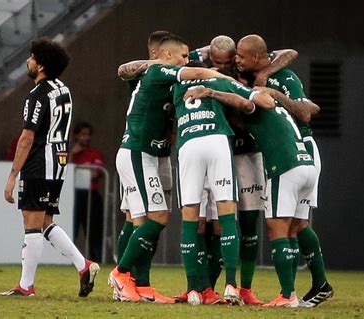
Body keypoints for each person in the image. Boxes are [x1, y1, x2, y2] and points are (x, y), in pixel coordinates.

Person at [109, 34, 232, 303]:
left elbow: (209, 51)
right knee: (151, 218)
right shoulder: (157, 71)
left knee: (143, 220)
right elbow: (194, 69)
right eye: (182, 56)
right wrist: (226, 80)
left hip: (158, 154)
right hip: (138, 152)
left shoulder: (164, 74)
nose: (187, 60)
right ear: (164, 56)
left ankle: (142, 285)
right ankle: (121, 274)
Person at [177, 35, 298, 305]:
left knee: (247, 224)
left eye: (229, 61)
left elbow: (289, 51)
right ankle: (202, 285)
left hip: (246, 155)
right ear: (210, 58)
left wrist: (263, 75)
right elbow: (173, 57)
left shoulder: (245, 69)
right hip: (221, 148)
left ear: (238, 58)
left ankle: (243, 288)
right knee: (208, 224)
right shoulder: (202, 67)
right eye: (216, 62)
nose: (222, 66)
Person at [0, 37, 99, 297]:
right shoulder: (62, 89)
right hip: (59, 160)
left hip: (39, 161)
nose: (27, 61)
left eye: (31, 57)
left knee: (31, 222)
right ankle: (83, 265)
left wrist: (12, 175)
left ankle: (26, 285)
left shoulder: (38, 96)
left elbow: (27, 137)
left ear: (41, 65)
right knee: (45, 221)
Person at [238, 35, 334, 307]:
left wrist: (272, 90)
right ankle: (315, 285)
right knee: (296, 225)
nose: (238, 62)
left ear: (256, 58)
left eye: (242, 57)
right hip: (287, 150)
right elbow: (287, 51)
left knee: (291, 224)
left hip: (299, 148)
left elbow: (306, 113)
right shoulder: (253, 75)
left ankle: (291, 292)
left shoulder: (286, 78)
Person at [69, 121, 104, 262]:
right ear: (76, 136)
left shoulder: (95, 153)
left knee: (94, 231)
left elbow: (97, 173)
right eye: (83, 134)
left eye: (88, 135)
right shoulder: (70, 153)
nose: (86, 138)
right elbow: (64, 172)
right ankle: (70, 259)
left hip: (92, 195)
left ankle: (96, 260)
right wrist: (72, 154)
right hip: (74, 196)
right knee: (73, 229)